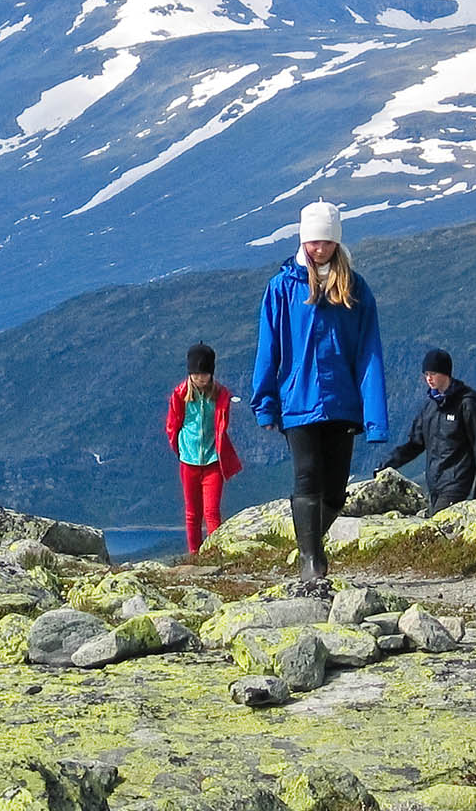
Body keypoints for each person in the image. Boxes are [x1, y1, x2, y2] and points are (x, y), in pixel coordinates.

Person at [252, 199, 388, 582]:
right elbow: (269, 347)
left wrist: (374, 416)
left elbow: (369, 352)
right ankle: (312, 561)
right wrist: (265, 403)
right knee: (307, 477)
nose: (318, 248)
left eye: (325, 241)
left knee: (336, 492)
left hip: (343, 403)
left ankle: (307, 542)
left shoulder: (356, 289)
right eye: (312, 241)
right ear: (303, 240)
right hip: (298, 401)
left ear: (336, 242)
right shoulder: (282, 288)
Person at [382, 349, 476, 516]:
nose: (429, 378)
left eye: (433, 373)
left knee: (440, 528)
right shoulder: (429, 407)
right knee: (438, 530)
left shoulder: (466, 406)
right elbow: (415, 444)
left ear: (445, 373)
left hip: (456, 483)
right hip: (435, 485)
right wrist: (387, 465)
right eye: (426, 374)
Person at [165, 342, 244, 554]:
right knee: (192, 513)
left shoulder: (220, 395)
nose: (201, 378)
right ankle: (194, 554)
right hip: (188, 462)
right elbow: (172, 426)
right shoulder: (180, 394)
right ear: (190, 373)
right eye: (197, 373)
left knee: (211, 512)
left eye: (205, 373)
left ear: (211, 373)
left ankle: (212, 553)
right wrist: (181, 450)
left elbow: (221, 425)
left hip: (212, 462)